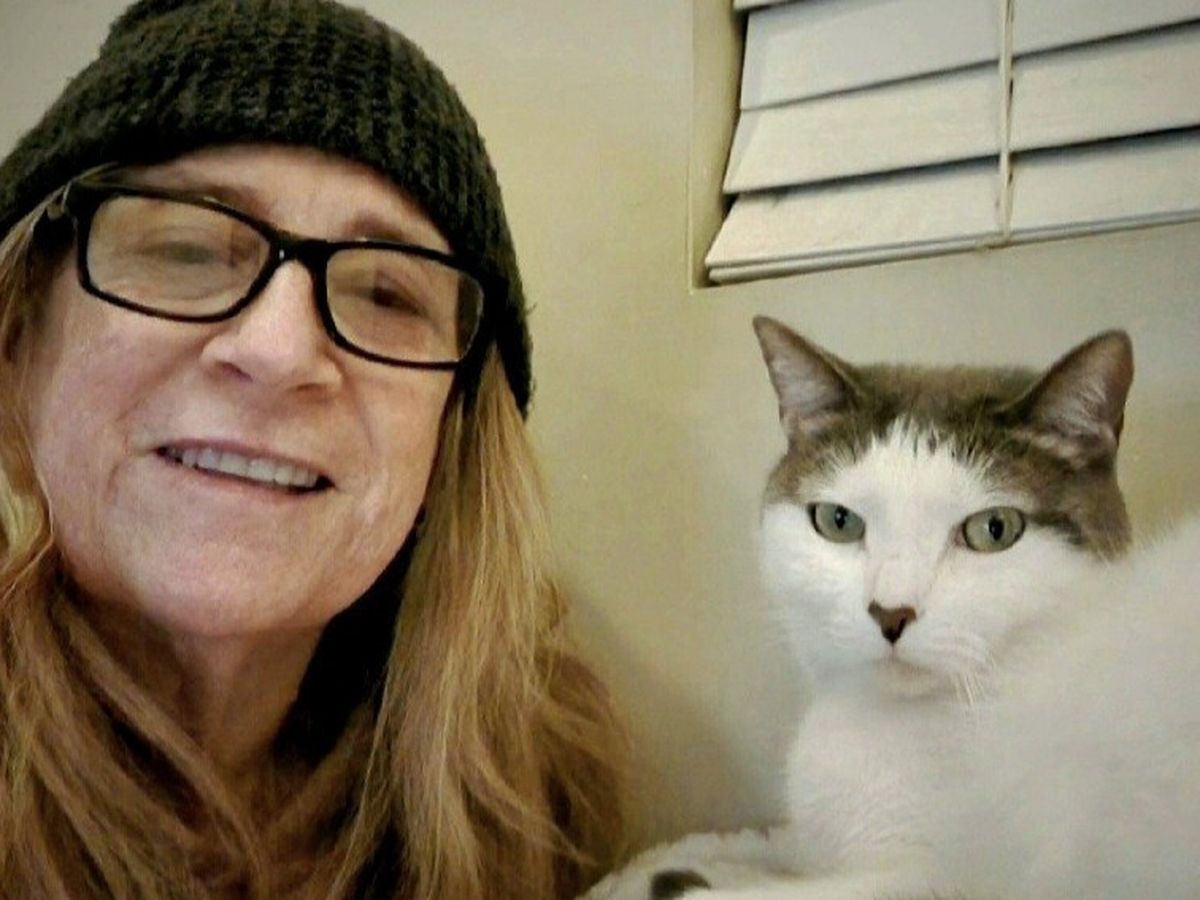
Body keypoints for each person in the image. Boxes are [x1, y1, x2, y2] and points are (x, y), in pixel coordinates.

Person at [0, 1, 627, 897]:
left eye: (386, 295)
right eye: (186, 250)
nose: (280, 352)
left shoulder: (538, 814)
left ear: (448, 440)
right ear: (17, 344)